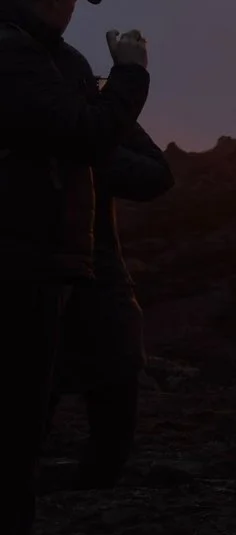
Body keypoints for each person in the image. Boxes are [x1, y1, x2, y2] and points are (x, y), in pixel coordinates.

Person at [0, 0, 149, 535]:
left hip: (40, 266)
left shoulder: (38, 56)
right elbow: (83, 136)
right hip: (21, 268)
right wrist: (130, 77)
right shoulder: (17, 55)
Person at [59, 120, 174, 488]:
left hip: (33, 285)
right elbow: (154, 176)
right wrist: (118, 106)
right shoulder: (68, 132)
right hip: (87, 287)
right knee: (113, 401)